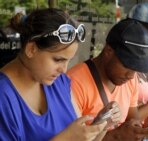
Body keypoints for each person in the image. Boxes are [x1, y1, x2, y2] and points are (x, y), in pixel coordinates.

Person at [0, 8, 119, 141]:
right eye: (58, 60)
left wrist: (99, 127)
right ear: (31, 49)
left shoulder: (60, 82)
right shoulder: (4, 97)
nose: (64, 69)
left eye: (69, 60)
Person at [67, 18, 148, 141]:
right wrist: (115, 136)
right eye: (127, 65)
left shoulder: (129, 78)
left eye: (136, 68)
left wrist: (145, 128)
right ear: (109, 51)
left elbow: (133, 120)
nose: (131, 75)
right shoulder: (73, 83)